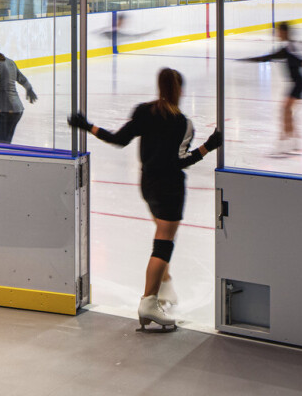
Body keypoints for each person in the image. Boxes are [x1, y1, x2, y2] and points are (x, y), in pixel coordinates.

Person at [69, 68, 221, 331]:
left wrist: (87, 125)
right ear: (180, 90)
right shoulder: (183, 123)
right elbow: (181, 161)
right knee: (163, 245)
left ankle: (164, 288)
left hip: (147, 186)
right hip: (170, 190)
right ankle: (149, 302)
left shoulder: (143, 111)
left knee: (161, 238)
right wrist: (209, 145)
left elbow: (118, 139)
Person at [241, 22, 302, 157]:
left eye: (279, 32)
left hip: (299, 83)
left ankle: (284, 145)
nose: (277, 34)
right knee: (288, 112)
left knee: (285, 111)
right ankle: (294, 143)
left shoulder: (289, 48)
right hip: (299, 83)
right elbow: (270, 57)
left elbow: (296, 59)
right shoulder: (291, 46)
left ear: (284, 32)